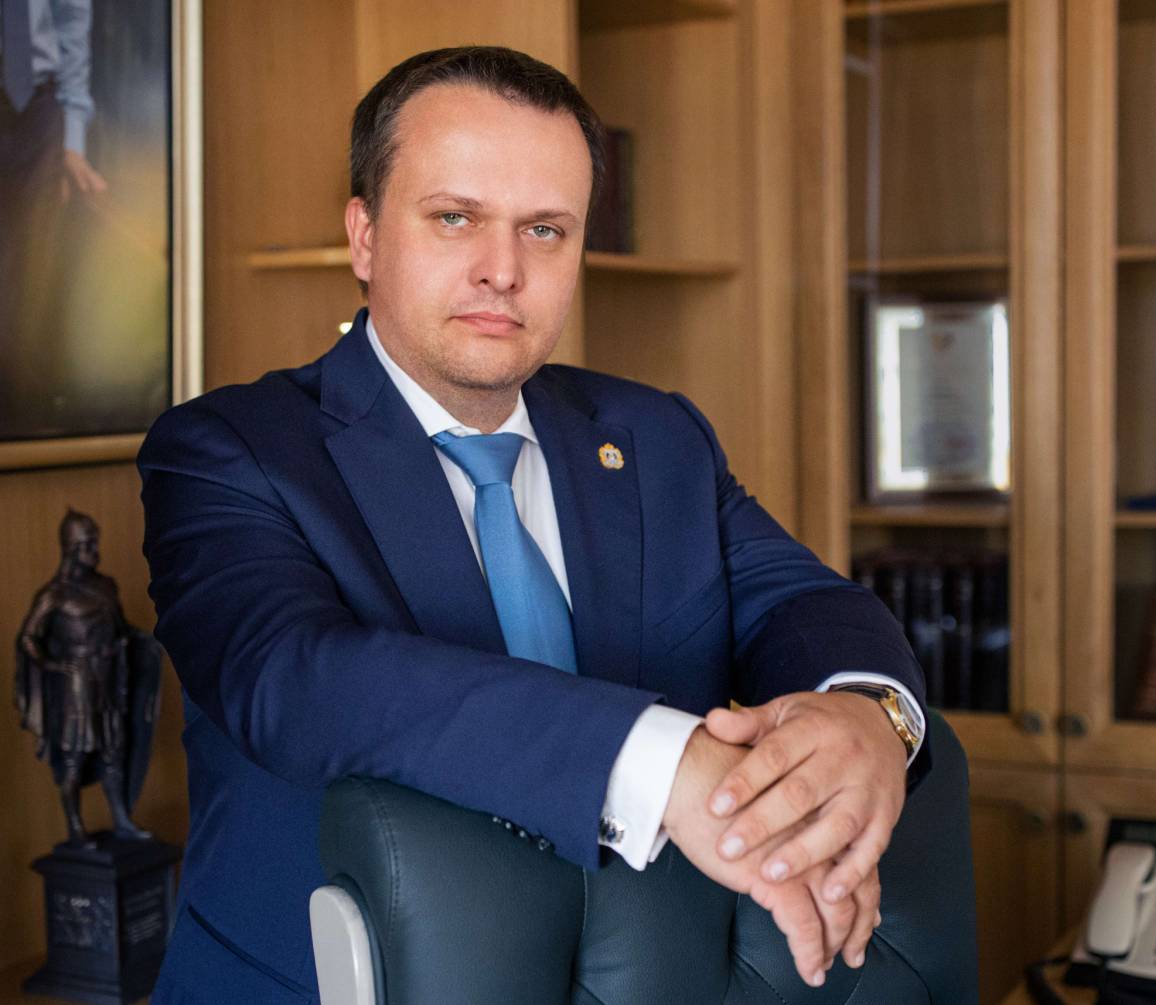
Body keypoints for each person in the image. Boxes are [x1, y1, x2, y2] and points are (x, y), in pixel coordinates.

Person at [137, 46, 931, 1003]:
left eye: (545, 230)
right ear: (365, 236)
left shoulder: (656, 437)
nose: (503, 271)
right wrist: (660, 761)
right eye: (455, 218)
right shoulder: (227, 449)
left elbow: (802, 604)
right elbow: (293, 678)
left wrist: (867, 714)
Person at [15, 509, 157, 846]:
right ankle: (75, 826)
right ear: (71, 547)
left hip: (108, 680)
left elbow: (120, 628)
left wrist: (141, 643)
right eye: (88, 544)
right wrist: (52, 665)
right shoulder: (54, 595)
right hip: (75, 689)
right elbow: (28, 638)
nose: (95, 550)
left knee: (114, 751)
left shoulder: (105, 586)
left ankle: (121, 818)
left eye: (95, 542)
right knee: (74, 759)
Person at [0, 0, 107, 430]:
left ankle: (22, 420)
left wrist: (71, 135)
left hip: (38, 110)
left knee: (31, 286)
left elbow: (70, 20)